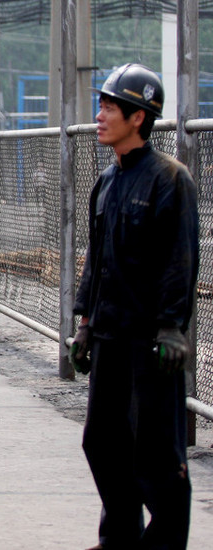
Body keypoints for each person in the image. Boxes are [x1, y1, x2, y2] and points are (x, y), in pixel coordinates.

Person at [69, 63, 197, 550]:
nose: (99, 115)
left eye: (108, 107)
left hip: (151, 343)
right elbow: (96, 258)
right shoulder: (107, 180)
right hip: (108, 336)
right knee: (102, 442)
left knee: (158, 456)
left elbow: (180, 260)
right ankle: (119, 537)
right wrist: (84, 323)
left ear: (138, 117)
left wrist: (171, 328)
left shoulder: (170, 179)